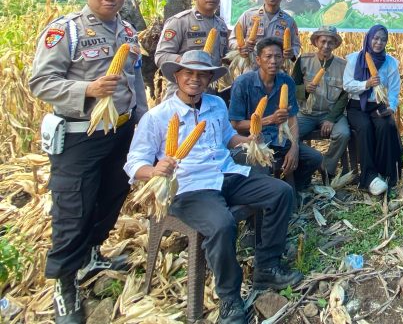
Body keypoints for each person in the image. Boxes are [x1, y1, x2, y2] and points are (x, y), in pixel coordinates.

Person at [124, 50, 301, 324]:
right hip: (189, 186)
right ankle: (229, 298)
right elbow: (134, 163)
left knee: (281, 192)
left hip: (226, 173)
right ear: (177, 76)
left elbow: (228, 138)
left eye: (202, 75)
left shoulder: (216, 104)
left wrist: (249, 140)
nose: (195, 79)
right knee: (222, 224)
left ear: (209, 79)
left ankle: (267, 266)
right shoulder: (158, 117)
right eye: (189, 73)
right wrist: (155, 170)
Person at [28, 0, 148, 324]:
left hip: (121, 132)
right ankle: (64, 284)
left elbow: (135, 80)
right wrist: (88, 89)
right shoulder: (66, 31)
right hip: (81, 135)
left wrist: (143, 120)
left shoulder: (127, 30)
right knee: (74, 209)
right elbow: (41, 83)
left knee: (111, 196)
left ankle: (92, 254)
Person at [229, 38, 323, 193]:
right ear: (258, 60)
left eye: (278, 56)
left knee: (314, 158)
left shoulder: (287, 81)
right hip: (251, 141)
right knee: (262, 167)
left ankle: (293, 190)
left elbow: (292, 117)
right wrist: (269, 120)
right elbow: (236, 124)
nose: (273, 61)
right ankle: (271, 196)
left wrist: (294, 147)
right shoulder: (243, 83)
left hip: (278, 138)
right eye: (268, 56)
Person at [343, 25, 403, 195]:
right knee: (365, 127)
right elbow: (347, 85)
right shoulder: (354, 59)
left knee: (386, 126)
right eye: (375, 38)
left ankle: (387, 173)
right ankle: (369, 177)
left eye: (383, 39)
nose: (379, 42)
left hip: (379, 104)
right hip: (357, 106)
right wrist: (366, 84)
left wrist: (391, 107)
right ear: (368, 38)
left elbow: (394, 89)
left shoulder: (390, 62)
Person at [291, 26, 351, 180]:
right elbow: (291, 87)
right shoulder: (304, 60)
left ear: (335, 45)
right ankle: (304, 166)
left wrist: (331, 118)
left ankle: (326, 168)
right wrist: (304, 90)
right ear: (316, 42)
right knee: (288, 136)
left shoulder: (343, 66)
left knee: (343, 134)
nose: (326, 45)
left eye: (330, 42)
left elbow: (344, 96)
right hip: (306, 113)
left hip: (331, 113)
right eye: (323, 41)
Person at [155, 0, 229, 97]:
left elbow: (224, 56)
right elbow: (161, 56)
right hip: (181, 91)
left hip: (208, 92)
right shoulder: (180, 21)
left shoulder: (221, 25)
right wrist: (187, 61)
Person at [229, 0, 301, 64]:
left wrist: (292, 53)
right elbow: (232, 40)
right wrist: (241, 47)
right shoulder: (248, 15)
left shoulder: (289, 21)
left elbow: (296, 46)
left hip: (275, 67)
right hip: (251, 66)